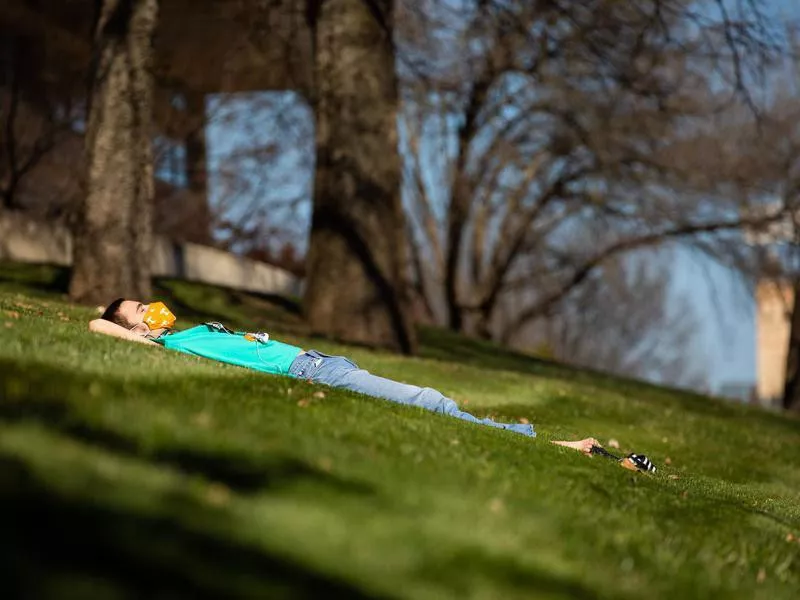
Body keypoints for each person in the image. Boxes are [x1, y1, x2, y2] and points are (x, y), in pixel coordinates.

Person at [89, 299, 599, 454]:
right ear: (133, 326)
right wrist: (128, 328)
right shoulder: (172, 344)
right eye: (139, 308)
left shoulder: (186, 333)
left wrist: (126, 317)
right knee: (432, 401)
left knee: (437, 406)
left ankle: (548, 444)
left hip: (321, 362)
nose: (151, 307)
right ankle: (557, 447)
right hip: (311, 372)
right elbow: (95, 324)